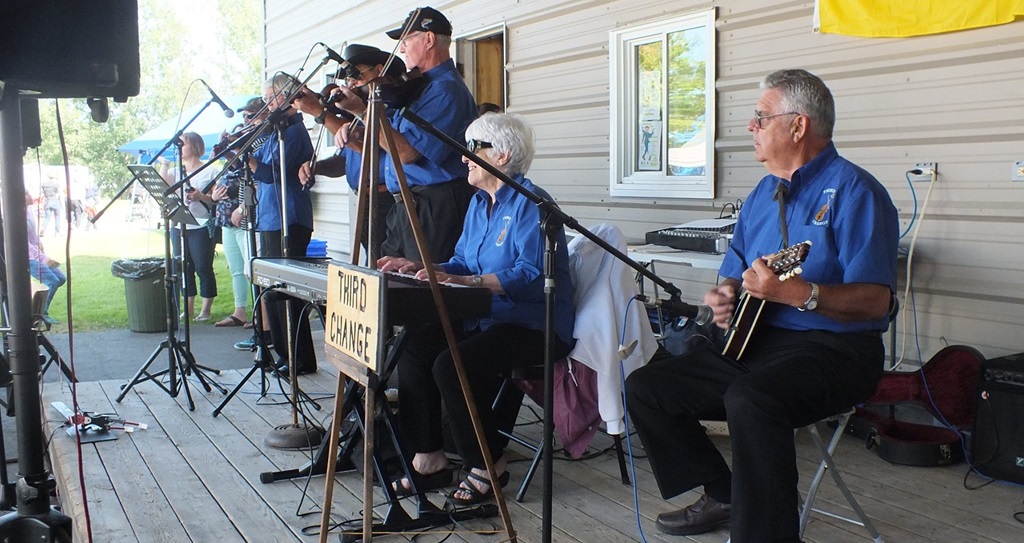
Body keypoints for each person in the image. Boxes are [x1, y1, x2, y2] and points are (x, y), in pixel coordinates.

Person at [624, 69, 899, 542]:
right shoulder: (760, 195)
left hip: (837, 352)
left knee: (751, 399)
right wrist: (724, 294)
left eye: (760, 117)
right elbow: (734, 270)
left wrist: (802, 294)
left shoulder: (856, 192)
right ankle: (726, 493)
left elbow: (877, 300)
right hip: (759, 341)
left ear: (798, 126)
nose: (751, 127)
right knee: (648, 386)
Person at [378, 113, 575, 505]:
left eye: (473, 148)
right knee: (416, 346)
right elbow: (463, 263)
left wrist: (466, 283)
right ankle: (429, 456)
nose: (464, 157)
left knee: (452, 364)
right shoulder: (478, 204)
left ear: (501, 155)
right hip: (486, 315)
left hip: (533, 323)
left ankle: (488, 465)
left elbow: (531, 273)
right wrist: (424, 269)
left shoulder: (532, 204)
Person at [332, 6, 477, 264]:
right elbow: (393, 140)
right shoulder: (417, 87)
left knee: (421, 289)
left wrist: (363, 112)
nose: (401, 49)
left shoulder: (445, 90)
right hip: (406, 203)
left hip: (434, 203)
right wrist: (358, 128)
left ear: (429, 39)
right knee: (387, 280)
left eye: (407, 40)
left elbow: (408, 153)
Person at [293, 44, 403, 257]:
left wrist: (319, 111)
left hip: (387, 200)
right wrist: (318, 167)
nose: (351, 84)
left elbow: (367, 150)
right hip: (364, 200)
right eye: (348, 80)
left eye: (357, 76)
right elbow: (345, 161)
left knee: (389, 269)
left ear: (379, 70)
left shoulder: (388, 106)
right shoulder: (356, 115)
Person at [248, 73, 317, 375]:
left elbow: (273, 173)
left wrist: (246, 160)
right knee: (271, 289)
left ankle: (299, 358)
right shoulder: (276, 131)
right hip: (271, 218)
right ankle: (283, 352)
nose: (266, 105)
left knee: (287, 292)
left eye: (269, 99)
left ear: (285, 98)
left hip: (289, 218)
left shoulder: (294, 131)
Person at [159, 132, 218, 322]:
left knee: (203, 266)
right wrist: (165, 165)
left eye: (182, 144)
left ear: (193, 146)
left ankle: (206, 309)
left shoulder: (210, 171)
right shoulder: (176, 171)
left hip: (201, 224)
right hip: (179, 224)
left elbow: (216, 200)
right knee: (184, 267)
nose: (179, 148)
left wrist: (201, 197)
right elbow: (162, 187)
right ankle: (189, 308)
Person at [25, 193, 66, 325]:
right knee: (52, 281)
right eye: (26, 193)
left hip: (37, 254)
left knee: (61, 278)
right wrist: (43, 258)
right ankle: (40, 314)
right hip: (29, 258)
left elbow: (32, 234)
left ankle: (37, 309)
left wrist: (39, 242)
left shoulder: (29, 210)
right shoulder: (16, 216)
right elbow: (24, 243)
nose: (30, 195)